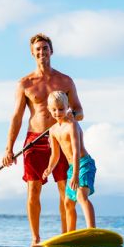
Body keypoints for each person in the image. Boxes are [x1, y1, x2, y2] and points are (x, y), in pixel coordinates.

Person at [2, 33, 83, 245]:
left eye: (45, 48)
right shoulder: (25, 83)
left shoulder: (65, 81)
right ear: (32, 53)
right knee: (33, 190)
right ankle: (36, 239)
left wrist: (68, 116)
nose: (41, 52)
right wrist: (9, 149)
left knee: (65, 189)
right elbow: (17, 117)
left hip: (60, 138)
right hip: (34, 141)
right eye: (37, 49)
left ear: (51, 51)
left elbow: (79, 110)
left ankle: (66, 236)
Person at [42, 91, 96, 232]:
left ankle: (92, 230)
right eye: (54, 109)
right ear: (49, 109)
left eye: (61, 109)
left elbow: (76, 151)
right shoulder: (53, 130)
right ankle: (70, 234)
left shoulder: (72, 125)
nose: (57, 112)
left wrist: (76, 175)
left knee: (80, 195)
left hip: (83, 164)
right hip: (72, 167)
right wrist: (49, 168)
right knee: (67, 202)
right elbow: (55, 155)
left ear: (67, 108)